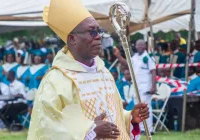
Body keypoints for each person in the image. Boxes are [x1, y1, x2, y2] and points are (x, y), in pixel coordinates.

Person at [28, 0, 149, 139]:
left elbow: (113, 114)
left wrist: (130, 118)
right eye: (91, 32)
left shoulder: (104, 73)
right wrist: (91, 131)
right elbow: (47, 128)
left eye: (99, 31)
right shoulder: (55, 80)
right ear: (72, 38)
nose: (98, 37)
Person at [115, 39, 156, 134]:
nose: (140, 47)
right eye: (138, 45)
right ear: (136, 46)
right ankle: (141, 128)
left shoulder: (149, 57)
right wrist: (118, 55)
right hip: (136, 86)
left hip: (146, 86)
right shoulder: (135, 57)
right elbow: (127, 64)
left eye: (141, 45)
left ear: (145, 46)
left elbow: (153, 71)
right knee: (137, 107)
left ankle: (149, 129)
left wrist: (153, 86)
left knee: (146, 107)